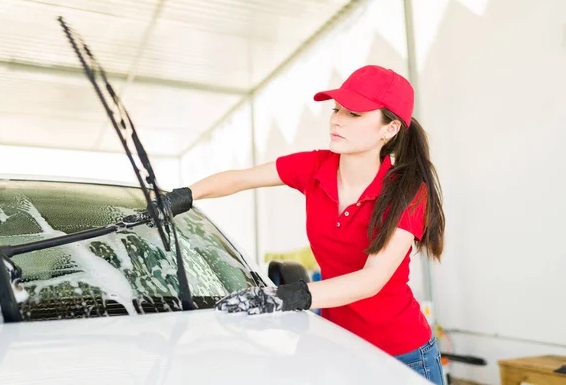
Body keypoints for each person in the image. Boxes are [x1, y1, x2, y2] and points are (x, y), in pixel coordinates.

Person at [160, 65, 445, 384]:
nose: (336, 119)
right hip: (338, 347)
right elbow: (240, 179)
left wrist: (284, 297)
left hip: (401, 355)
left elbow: (371, 279)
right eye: (336, 109)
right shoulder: (315, 167)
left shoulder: (409, 190)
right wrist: (180, 196)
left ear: (389, 129)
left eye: (354, 114)